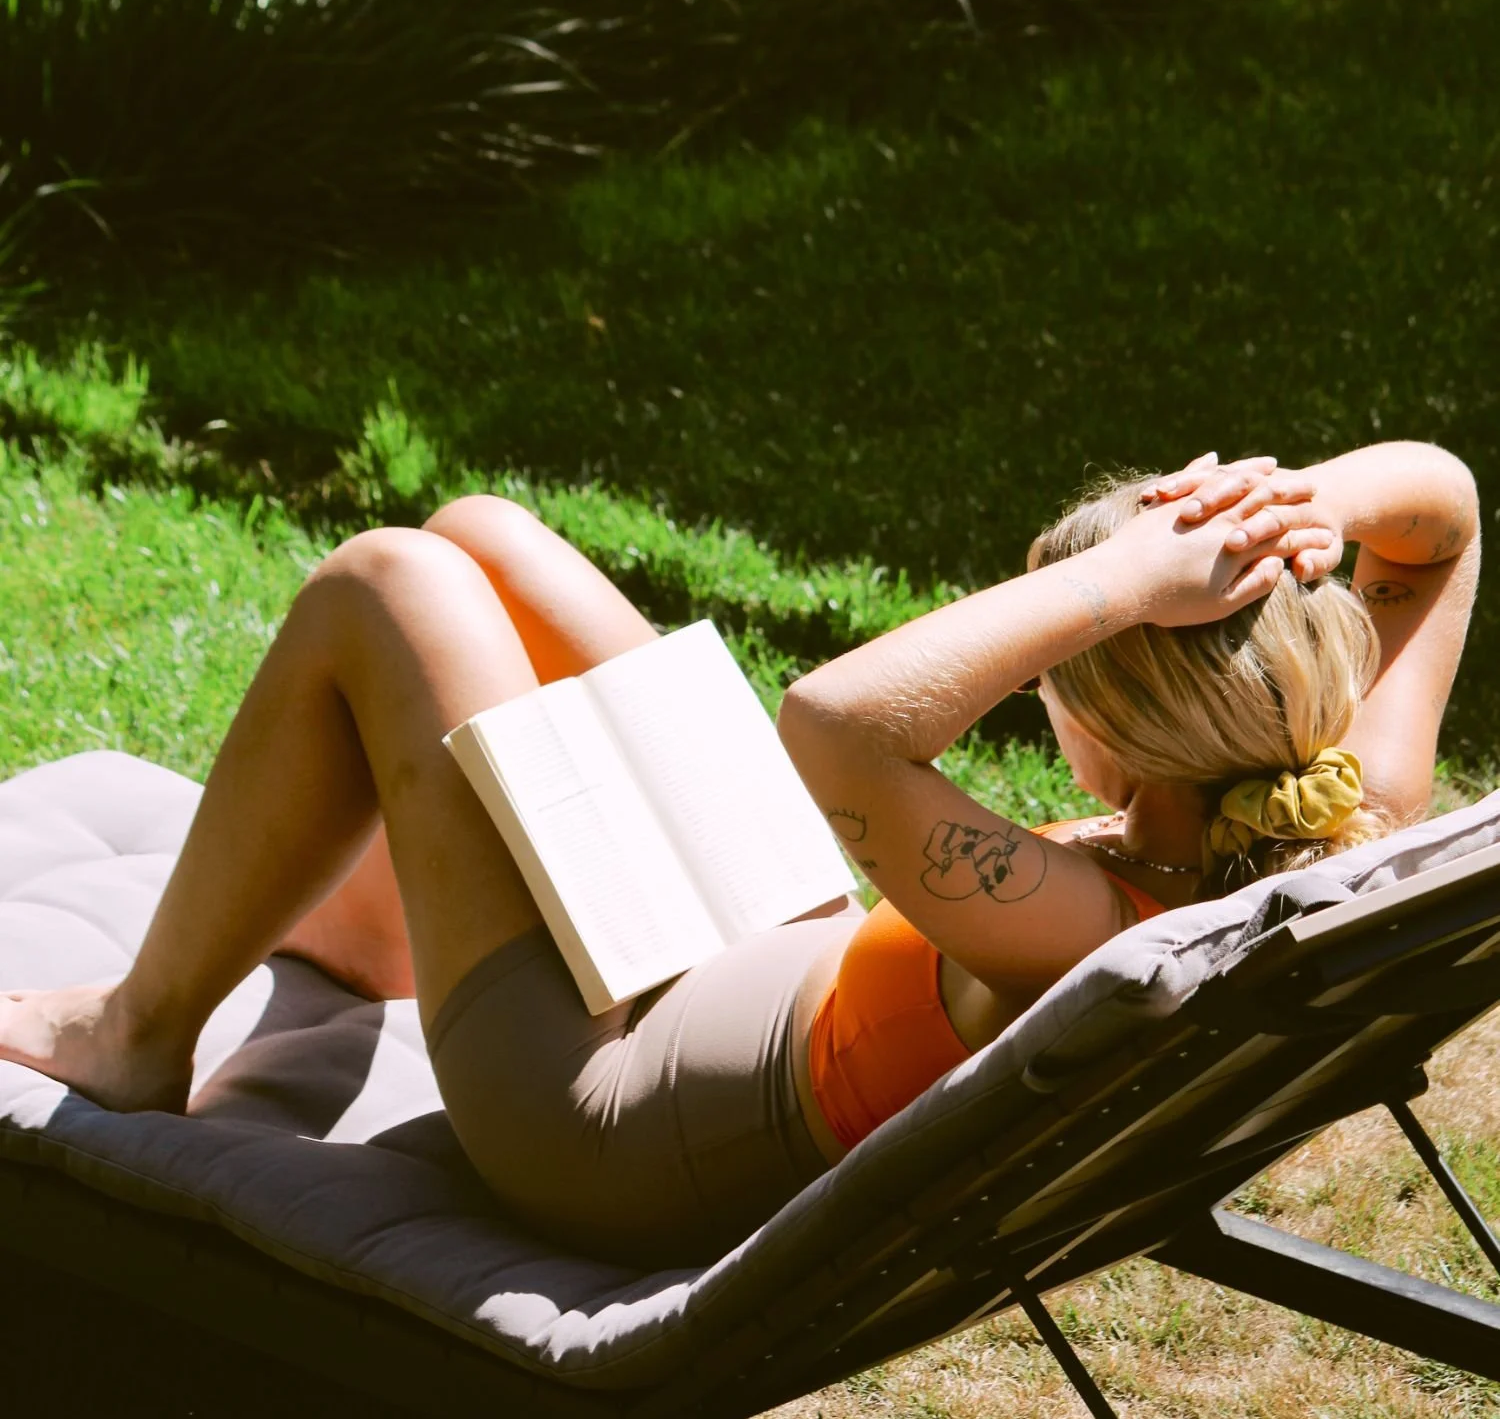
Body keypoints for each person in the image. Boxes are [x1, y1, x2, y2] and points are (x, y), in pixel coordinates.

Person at [0, 441, 1479, 1267]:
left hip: (601, 1114)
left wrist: (1122, 580)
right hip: (780, 959)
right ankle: (384, 938)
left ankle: (137, 1033)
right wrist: (1300, 506)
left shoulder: (1087, 922)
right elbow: (1446, 511)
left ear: (1107, 730)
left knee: (391, 582)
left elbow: (834, 723)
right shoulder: (1348, 806)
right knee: (487, 540)